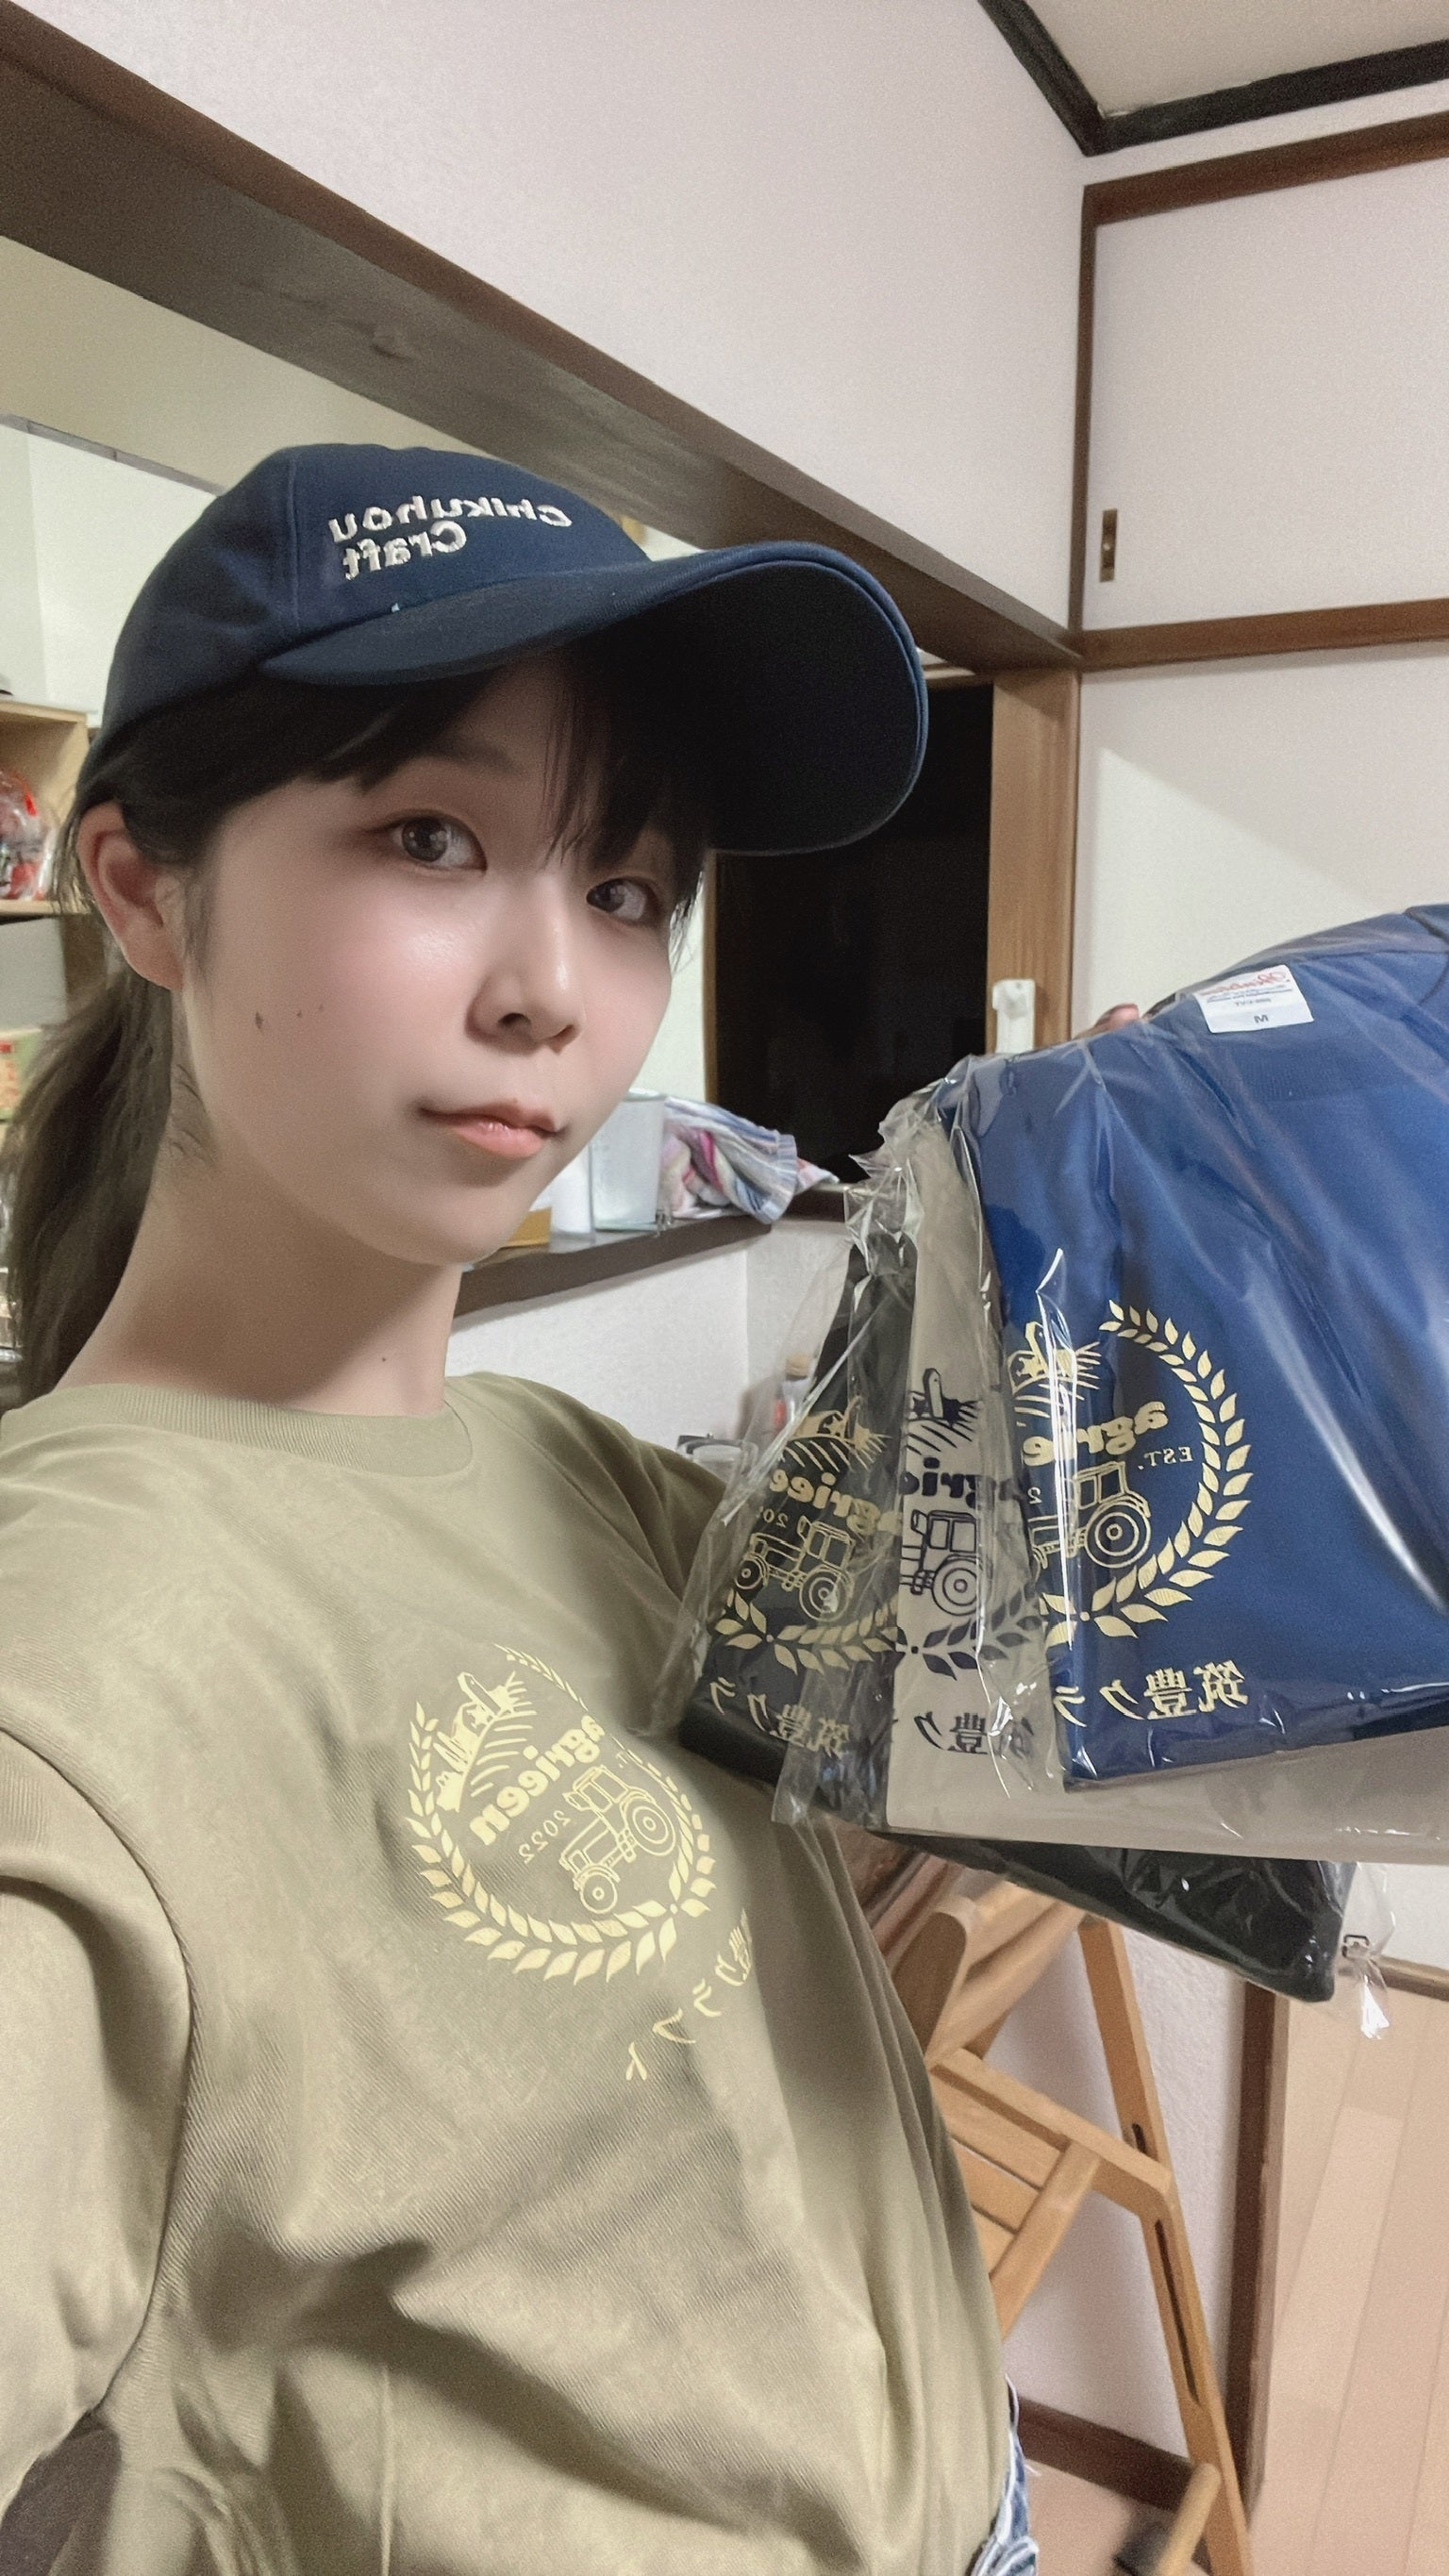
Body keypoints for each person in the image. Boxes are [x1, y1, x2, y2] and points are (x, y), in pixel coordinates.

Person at [0, 445, 1033, 2575]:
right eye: (431, 836)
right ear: (142, 890)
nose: (554, 987)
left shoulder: (574, 1472)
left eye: (630, 885)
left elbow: (963, 1766)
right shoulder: (62, 1674)